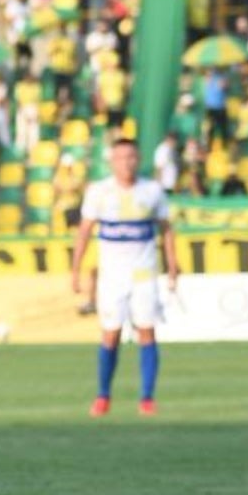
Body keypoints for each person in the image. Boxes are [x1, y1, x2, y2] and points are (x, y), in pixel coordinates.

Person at [70, 138, 179, 417]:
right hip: (112, 278)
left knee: (147, 331)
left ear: (138, 159)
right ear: (112, 161)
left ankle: (147, 399)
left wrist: (172, 266)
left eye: (131, 156)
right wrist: (76, 269)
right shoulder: (99, 192)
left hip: (144, 275)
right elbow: (84, 232)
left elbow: (166, 230)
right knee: (111, 334)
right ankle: (103, 396)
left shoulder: (152, 191)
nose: (126, 162)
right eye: (120, 157)